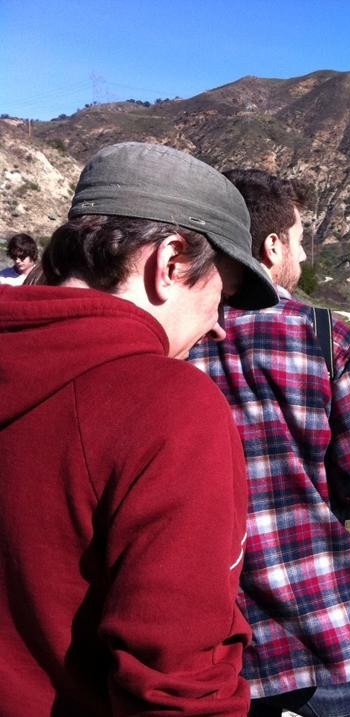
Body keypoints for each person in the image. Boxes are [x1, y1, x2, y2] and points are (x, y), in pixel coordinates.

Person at [0, 142, 279, 715]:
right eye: (220, 296)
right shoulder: (169, 406)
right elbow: (180, 688)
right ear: (172, 262)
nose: (221, 328)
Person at [189, 169, 350, 717]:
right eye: (301, 239)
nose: (305, 257)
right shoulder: (325, 336)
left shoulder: (170, 341)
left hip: (204, 633)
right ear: (272, 244)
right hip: (314, 615)